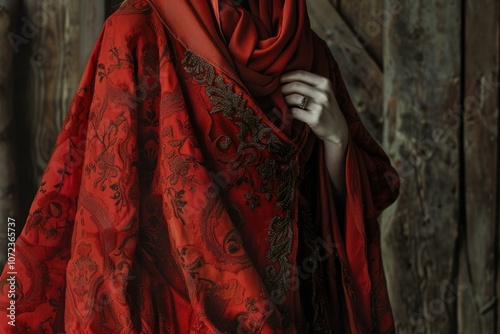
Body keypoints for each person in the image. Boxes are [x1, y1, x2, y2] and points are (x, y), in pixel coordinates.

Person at [0, 0, 400, 332]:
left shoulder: (308, 51)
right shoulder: (137, 31)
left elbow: (330, 216)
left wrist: (337, 142)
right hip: (179, 316)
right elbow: (106, 221)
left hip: (293, 313)